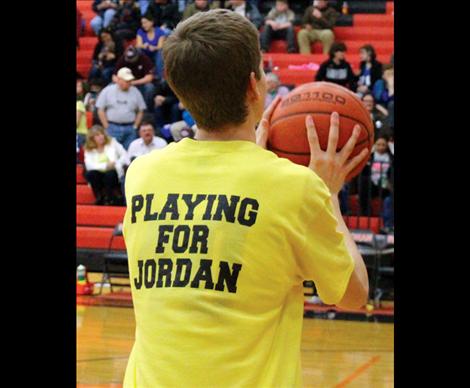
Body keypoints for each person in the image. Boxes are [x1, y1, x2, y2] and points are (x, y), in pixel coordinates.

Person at [122, 9, 369, 387]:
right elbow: (354, 295)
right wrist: (329, 194)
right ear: (255, 86)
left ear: (177, 89)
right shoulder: (295, 187)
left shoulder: (141, 175)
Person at [96, 67, 147, 149]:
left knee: (129, 151)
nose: (129, 83)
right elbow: (100, 109)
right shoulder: (107, 90)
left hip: (130, 128)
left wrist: (135, 126)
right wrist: (106, 126)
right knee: (112, 152)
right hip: (112, 127)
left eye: (130, 81)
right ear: (118, 80)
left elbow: (141, 110)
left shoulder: (135, 91)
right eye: (126, 81)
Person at [84, 125, 130, 205]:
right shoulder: (89, 149)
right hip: (99, 173)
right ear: (92, 138)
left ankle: (110, 197)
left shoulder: (113, 142)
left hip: (113, 171)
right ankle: (99, 197)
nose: (101, 137)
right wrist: (105, 166)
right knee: (90, 174)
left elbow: (124, 155)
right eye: (97, 135)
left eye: (102, 134)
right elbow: (89, 165)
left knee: (110, 175)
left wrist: (116, 163)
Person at [358, 134, 393, 216]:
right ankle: (366, 213)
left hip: (386, 185)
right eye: (378, 144)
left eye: (383, 145)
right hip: (372, 184)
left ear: (387, 145)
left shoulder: (391, 158)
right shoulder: (370, 157)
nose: (381, 147)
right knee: (364, 184)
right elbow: (363, 172)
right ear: (375, 145)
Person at [114, 45, 156, 111]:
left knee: (149, 88)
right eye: (129, 58)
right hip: (125, 82)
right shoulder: (122, 59)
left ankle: (147, 110)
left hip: (141, 83)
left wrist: (132, 82)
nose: (130, 61)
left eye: (132, 58)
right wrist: (122, 82)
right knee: (112, 86)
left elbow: (149, 77)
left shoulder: (144, 58)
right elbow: (114, 76)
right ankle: (117, 109)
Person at [135, 15, 166, 79]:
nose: (143, 25)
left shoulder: (160, 31)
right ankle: (140, 73)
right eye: (142, 23)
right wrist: (144, 46)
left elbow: (160, 46)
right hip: (145, 54)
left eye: (145, 22)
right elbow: (138, 44)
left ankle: (159, 77)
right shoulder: (140, 31)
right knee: (138, 49)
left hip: (155, 54)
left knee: (160, 51)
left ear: (152, 22)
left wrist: (154, 47)